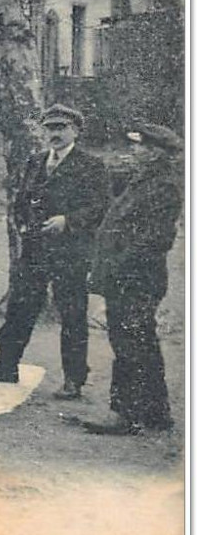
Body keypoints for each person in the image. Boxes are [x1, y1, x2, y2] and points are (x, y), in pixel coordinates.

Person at [0, 104, 110, 396]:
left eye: (61, 128)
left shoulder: (91, 166)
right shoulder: (35, 161)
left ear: (76, 131)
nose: (55, 134)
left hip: (70, 253)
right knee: (19, 310)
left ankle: (74, 380)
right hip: (35, 250)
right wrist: (23, 225)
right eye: (50, 128)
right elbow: (22, 198)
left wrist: (68, 221)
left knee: (72, 315)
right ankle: (6, 367)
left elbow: (100, 208)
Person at [83, 123, 182, 435]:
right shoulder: (143, 181)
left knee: (129, 344)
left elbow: (155, 239)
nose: (133, 151)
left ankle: (125, 413)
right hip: (127, 276)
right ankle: (155, 412)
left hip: (136, 278)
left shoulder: (163, 186)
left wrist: (116, 267)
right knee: (142, 342)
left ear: (155, 153)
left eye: (139, 146)